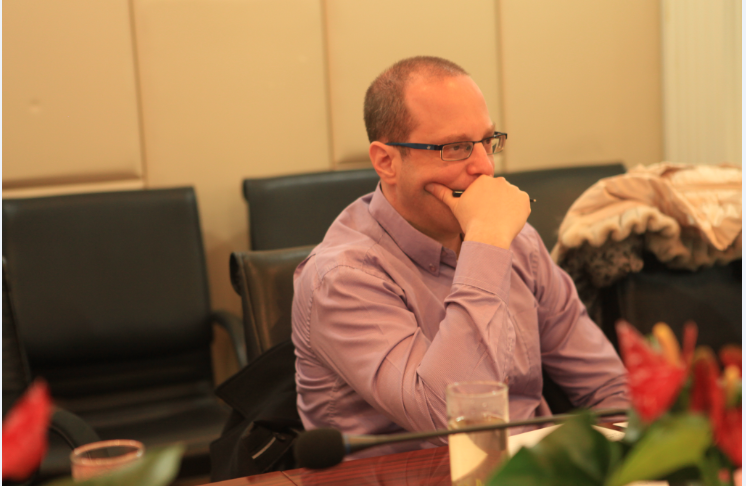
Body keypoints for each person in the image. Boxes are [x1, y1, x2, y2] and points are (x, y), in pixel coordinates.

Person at [291, 56, 628, 456]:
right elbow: (451, 424)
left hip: (530, 468)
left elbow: (611, 390)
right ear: (387, 162)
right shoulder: (342, 277)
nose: (484, 166)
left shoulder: (519, 242)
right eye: (455, 148)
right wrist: (486, 244)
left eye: (487, 141)